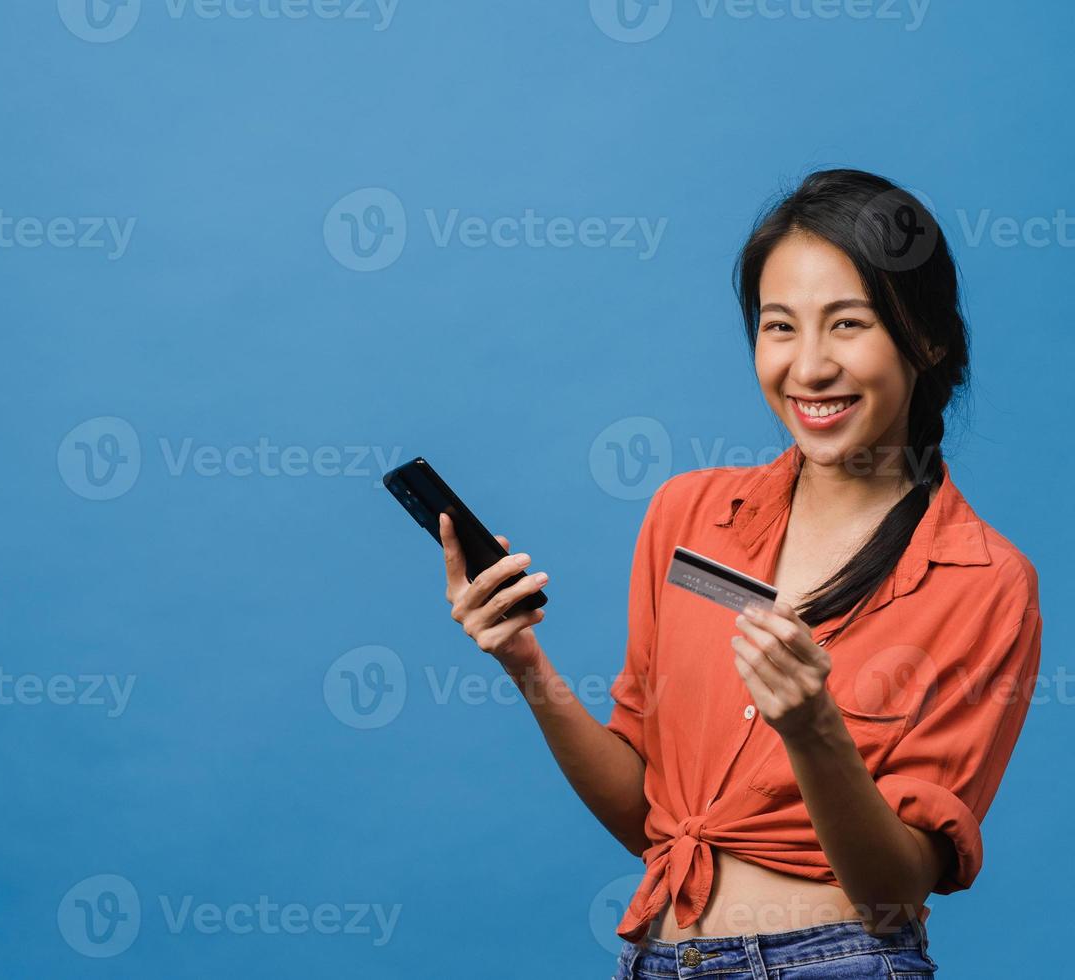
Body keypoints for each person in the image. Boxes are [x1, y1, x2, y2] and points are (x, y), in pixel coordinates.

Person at [437, 168, 1043, 978]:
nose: (810, 366)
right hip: (661, 960)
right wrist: (526, 667)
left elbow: (895, 895)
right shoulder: (685, 516)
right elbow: (652, 817)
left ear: (927, 339)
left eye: (849, 324)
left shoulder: (985, 582)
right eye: (780, 326)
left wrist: (813, 728)